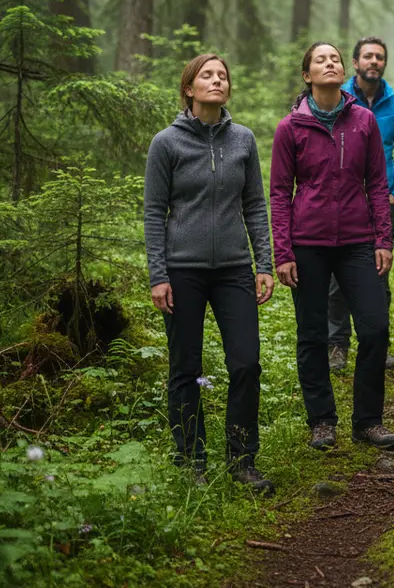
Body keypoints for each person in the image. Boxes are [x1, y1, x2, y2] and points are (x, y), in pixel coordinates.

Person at [144, 53, 276, 494]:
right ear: (189, 88)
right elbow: (153, 213)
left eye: (222, 76)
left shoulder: (243, 140)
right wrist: (158, 274)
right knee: (185, 367)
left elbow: (255, 206)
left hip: (235, 270)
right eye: (207, 75)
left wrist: (264, 264)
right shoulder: (167, 143)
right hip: (182, 271)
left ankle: (242, 460)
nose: (217, 81)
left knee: (247, 363)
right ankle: (191, 462)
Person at [270, 41, 394, 451]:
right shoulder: (290, 127)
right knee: (312, 334)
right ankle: (321, 421)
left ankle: (368, 421)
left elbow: (378, 183)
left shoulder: (363, 121)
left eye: (335, 59)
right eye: (320, 60)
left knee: (375, 328)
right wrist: (283, 251)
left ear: (343, 71)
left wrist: (383, 238)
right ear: (307, 75)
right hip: (307, 242)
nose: (330, 63)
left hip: (358, 241)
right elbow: (278, 192)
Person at [328, 36, 394, 372]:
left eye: (379, 56)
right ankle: (337, 346)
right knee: (337, 278)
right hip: (345, 200)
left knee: (379, 273)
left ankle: (377, 346)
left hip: (382, 201)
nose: (374, 61)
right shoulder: (340, 98)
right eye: (368, 56)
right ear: (356, 63)